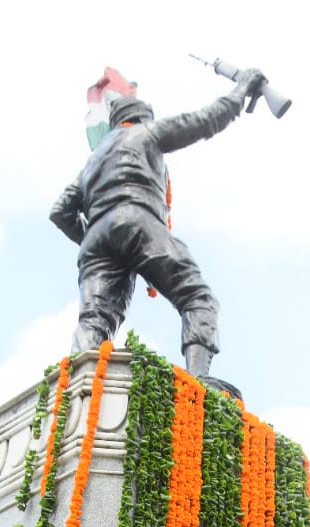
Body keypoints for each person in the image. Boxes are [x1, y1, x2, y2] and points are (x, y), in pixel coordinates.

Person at [50, 71, 266, 380]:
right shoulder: (145, 134)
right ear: (142, 118)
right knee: (197, 298)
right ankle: (198, 382)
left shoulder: (92, 162)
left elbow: (60, 211)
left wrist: (97, 241)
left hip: (95, 239)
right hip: (137, 221)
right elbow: (204, 121)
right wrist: (241, 89)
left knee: (94, 321)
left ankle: (78, 387)